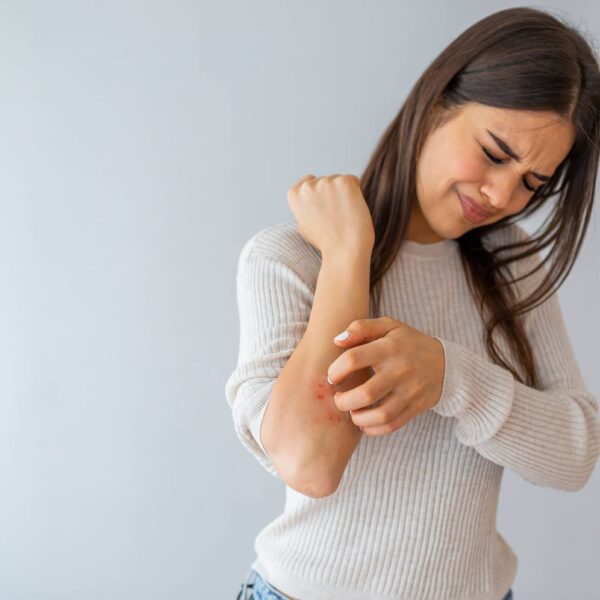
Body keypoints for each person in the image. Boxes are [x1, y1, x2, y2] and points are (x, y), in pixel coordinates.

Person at [226, 7, 600, 599]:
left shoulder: (510, 264)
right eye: (496, 152)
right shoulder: (290, 259)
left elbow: (576, 451)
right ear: (435, 104)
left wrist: (452, 377)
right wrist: (350, 253)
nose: (503, 194)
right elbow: (312, 463)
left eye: (533, 183)